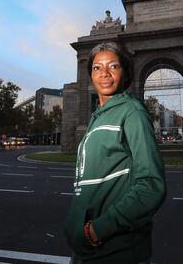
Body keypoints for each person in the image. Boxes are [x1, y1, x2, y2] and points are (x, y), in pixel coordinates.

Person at [64, 41, 166, 264]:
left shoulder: (132, 113)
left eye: (113, 66)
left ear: (126, 72)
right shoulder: (97, 117)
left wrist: (98, 230)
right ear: (90, 74)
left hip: (116, 251)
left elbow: (151, 185)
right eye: (97, 67)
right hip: (85, 252)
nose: (104, 73)